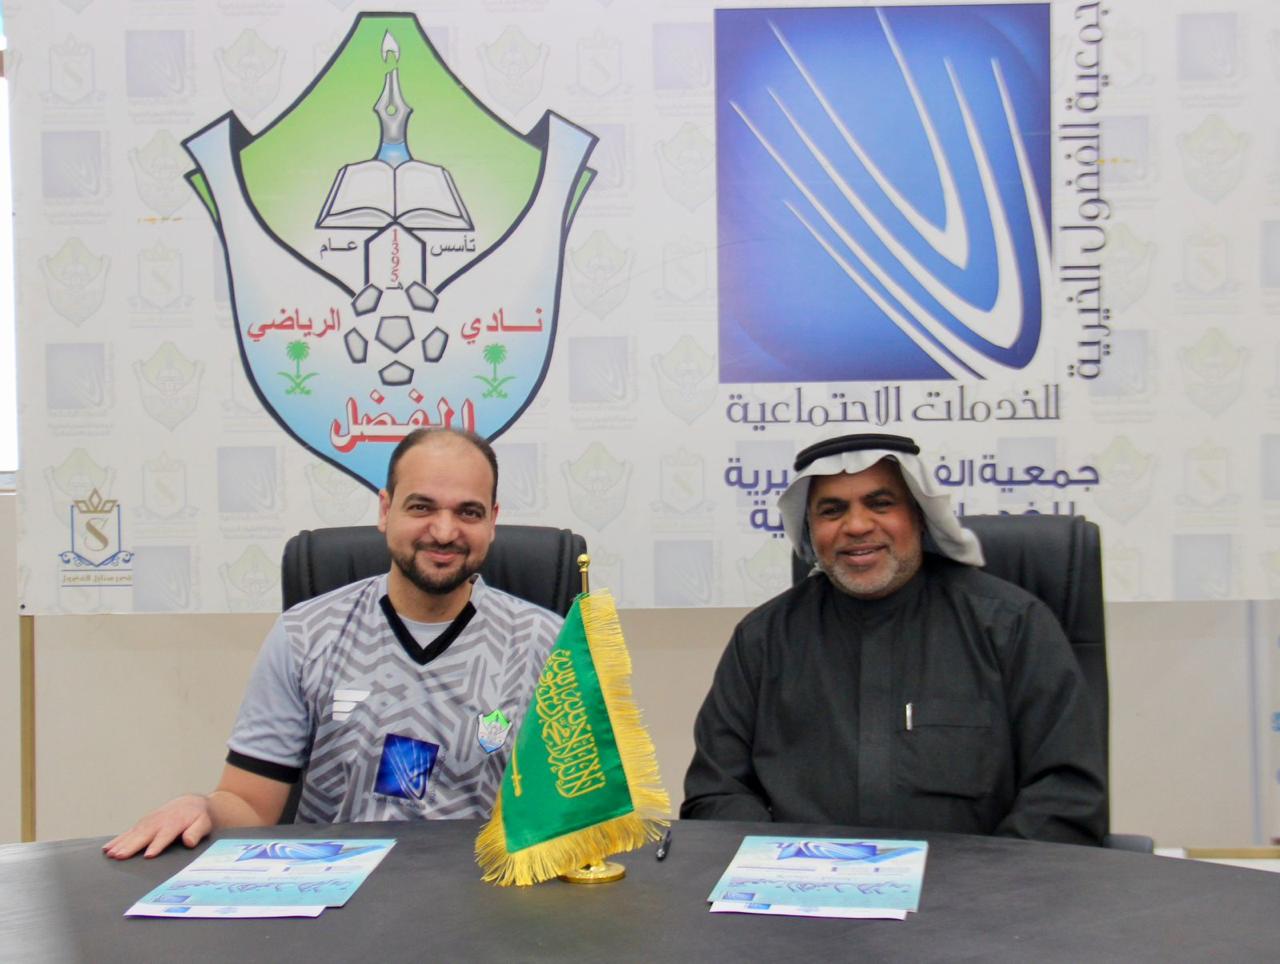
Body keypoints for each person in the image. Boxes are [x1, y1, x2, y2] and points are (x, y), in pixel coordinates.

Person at [105, 427, 564, 859]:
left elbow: (572, 808)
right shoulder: (305, 635)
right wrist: (201, 806)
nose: (444, 532)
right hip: (334, 891)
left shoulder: (547, 643)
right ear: (385, 511)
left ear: (492, 521)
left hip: (486, 890)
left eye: (468, 512)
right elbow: (250, 804)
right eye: (421, 507)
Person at [681, 433, 1107, 845]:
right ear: (811, 531)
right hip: (799, 886)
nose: (856, 525)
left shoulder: (1012, 626)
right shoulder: (762, 640)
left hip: (976, 887)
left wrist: (985, 881)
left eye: (880, 504)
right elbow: (717, 793)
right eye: (832, 511)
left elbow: (1066, 794)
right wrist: (781, 869)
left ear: (919, 517)